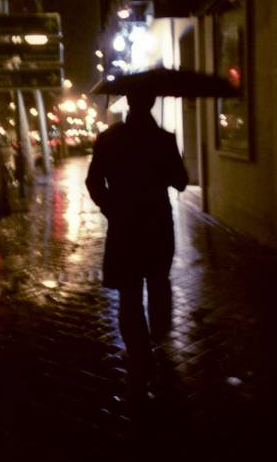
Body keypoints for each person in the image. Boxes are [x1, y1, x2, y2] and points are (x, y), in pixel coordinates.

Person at [85, 89, 188, 399]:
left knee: (129, 295)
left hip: (124, 228)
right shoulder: (164, 139)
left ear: (128, 102)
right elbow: (181, 182)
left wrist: (111, 207)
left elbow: (93, 182)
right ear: (152, 102)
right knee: (158, 283)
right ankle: (158, 341)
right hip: (157, 226)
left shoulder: (110, 139)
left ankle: (141, 355)